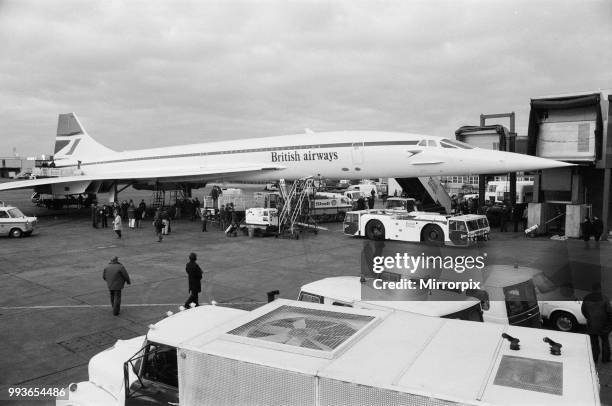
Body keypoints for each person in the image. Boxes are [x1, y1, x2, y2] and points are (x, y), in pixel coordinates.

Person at [581, 283, 612, 363]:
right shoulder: (604, 298)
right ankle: (605, 359)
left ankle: (594, 359)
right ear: (600, 289)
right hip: (604, 326)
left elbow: (583, 311)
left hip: (591, 325)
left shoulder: (586, 298)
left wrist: (590, 318)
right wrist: (609, 324)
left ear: (592, 289)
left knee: (594, 343)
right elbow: (609, 312)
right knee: (605, 342)